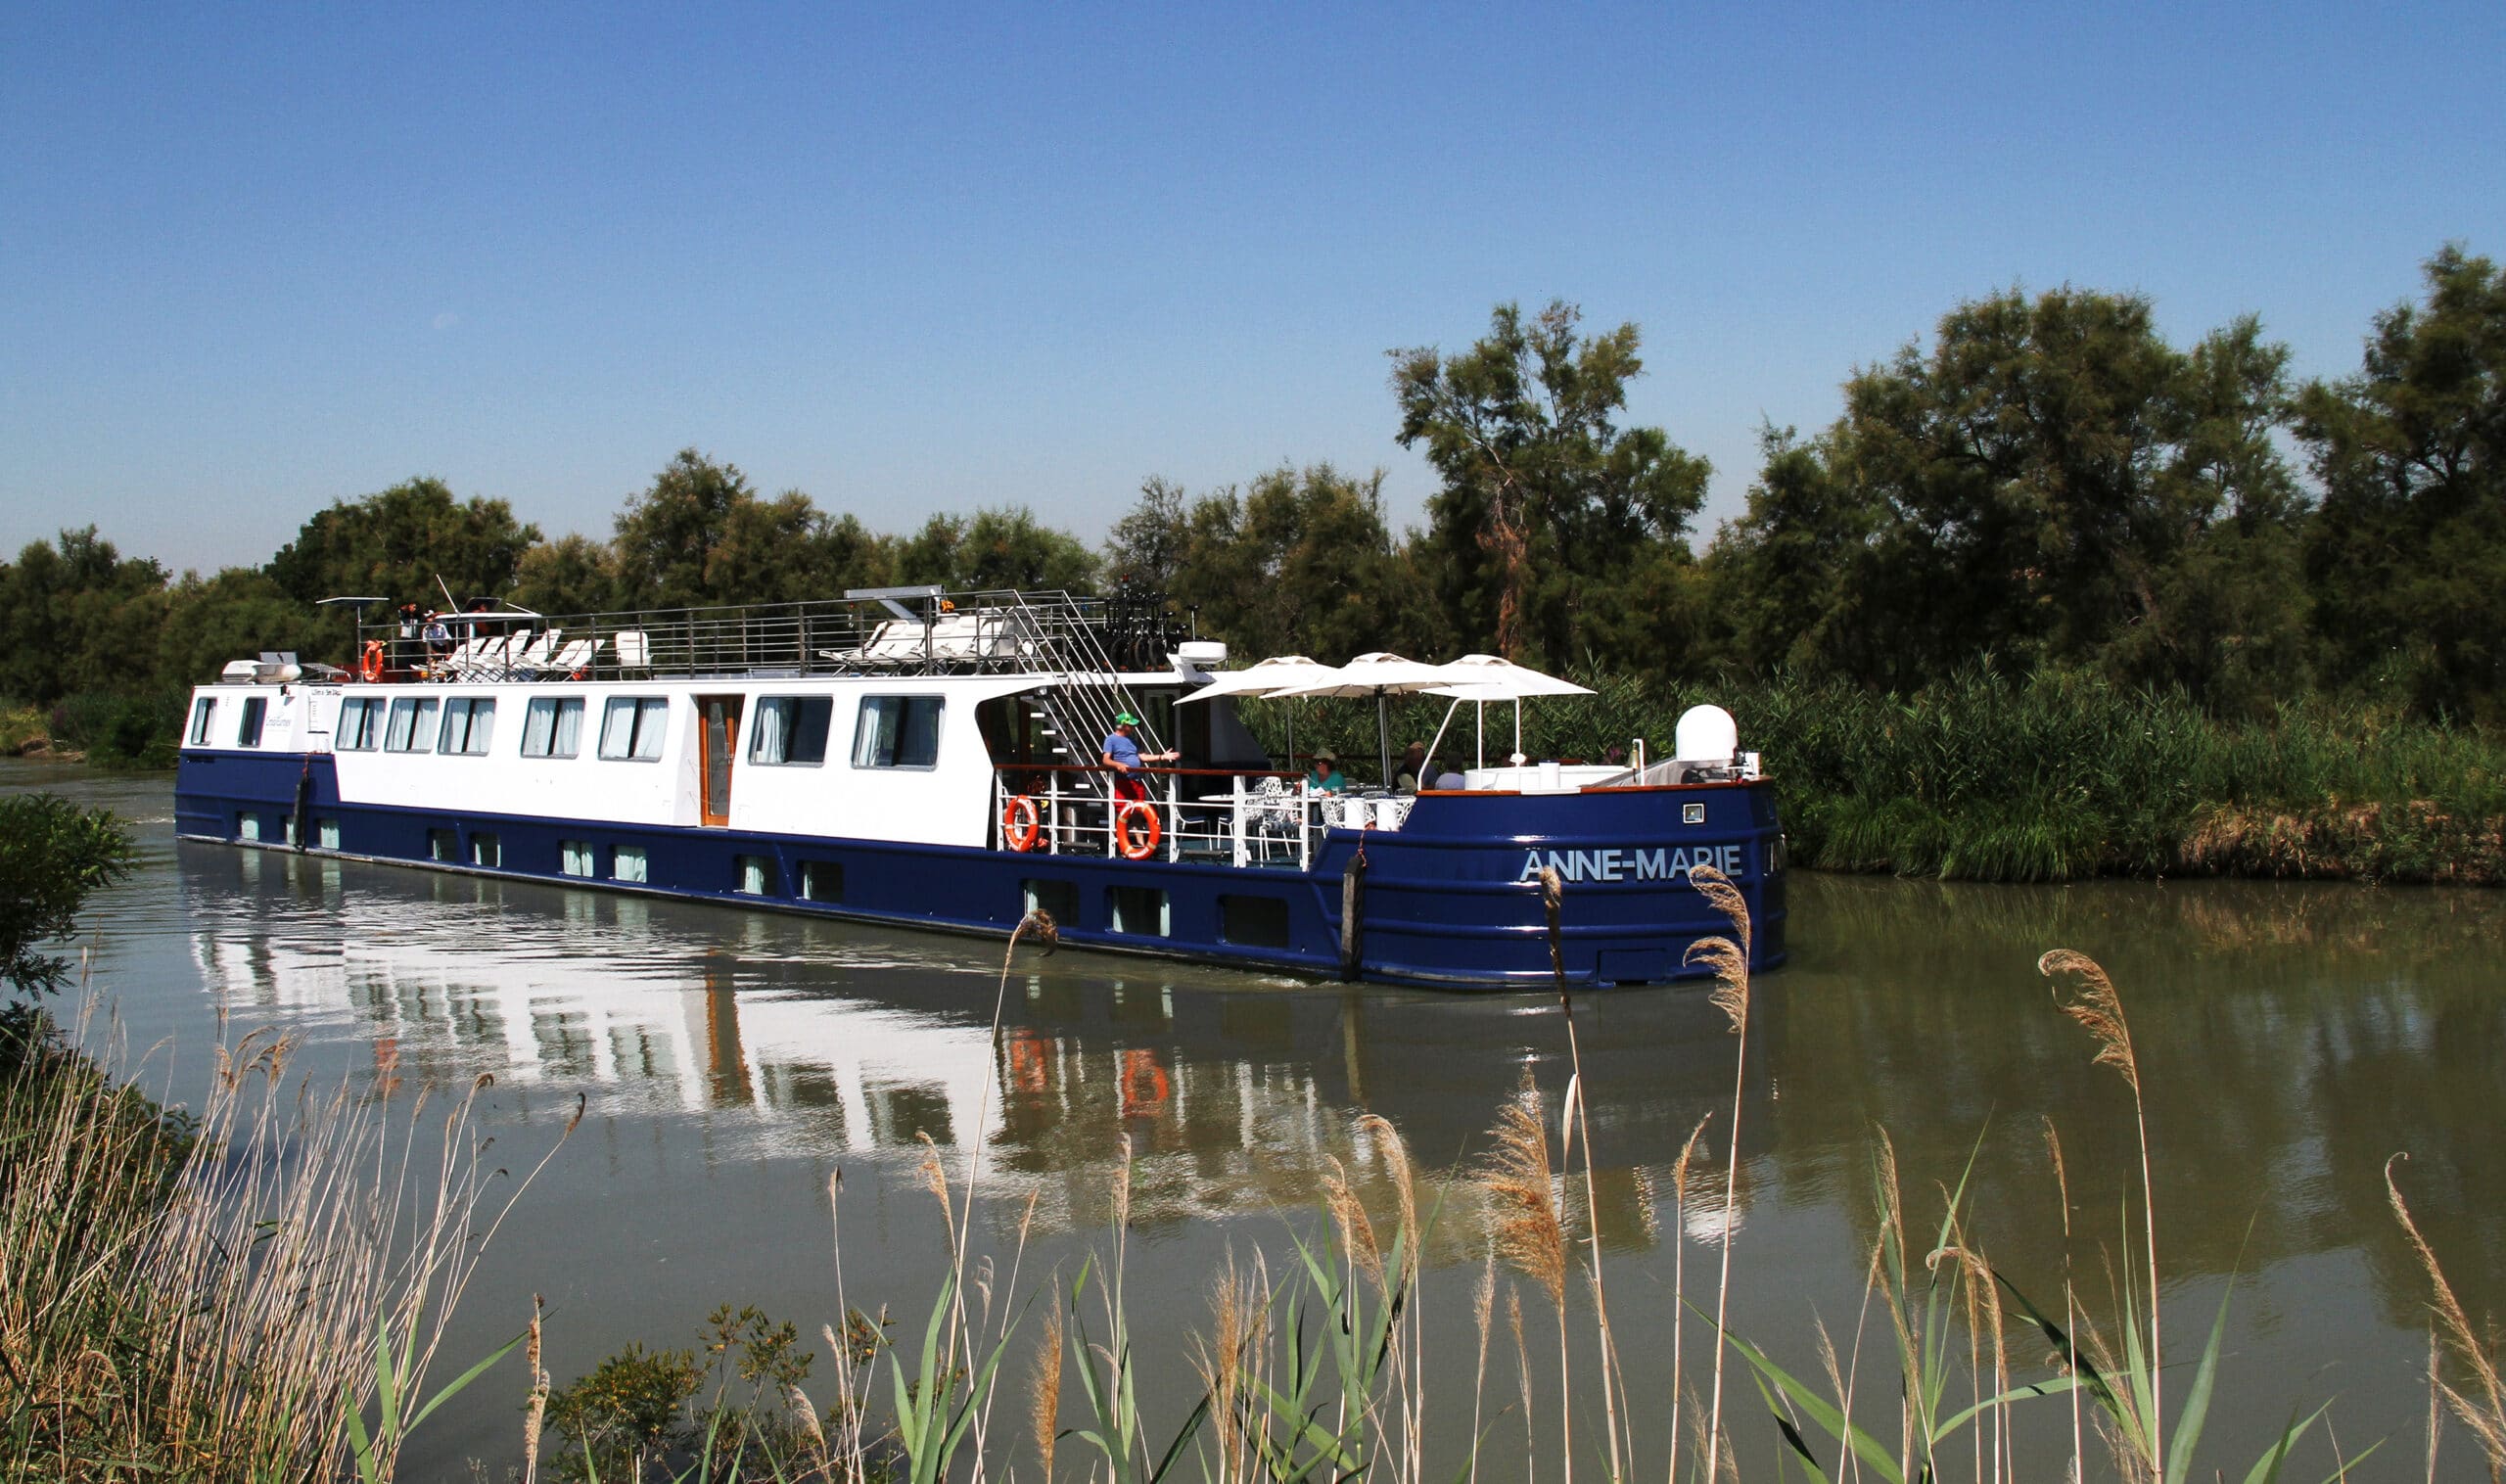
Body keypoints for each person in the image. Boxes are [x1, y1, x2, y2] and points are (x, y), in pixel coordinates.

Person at [1099, 712, 1177, 802]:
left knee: (1140, 809)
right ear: (1123, 725)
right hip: (1122, 782)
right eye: (1131, 725)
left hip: (1137, 781)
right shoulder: (1110, 739)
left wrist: (1162, 757)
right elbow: (1105, 760)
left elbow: (1142, 756)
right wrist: (1118, 765)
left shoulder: (1132, 740)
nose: (1133, 728)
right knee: (1123, 810)